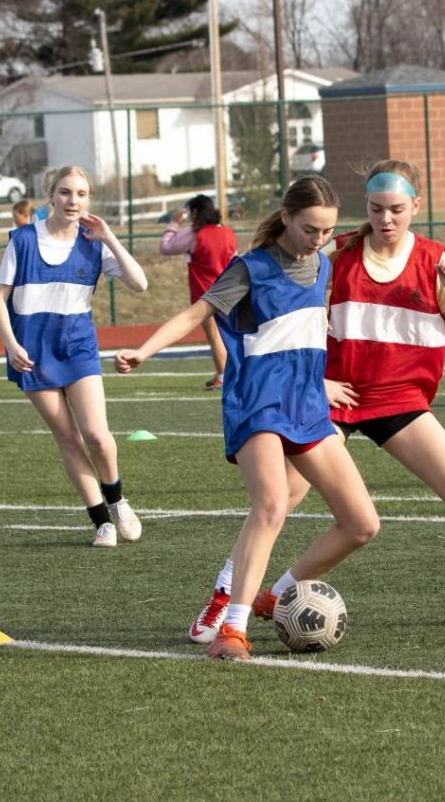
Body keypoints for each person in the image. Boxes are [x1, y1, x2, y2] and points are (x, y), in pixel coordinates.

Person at [187, 160, 445, 645]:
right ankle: (225, 596)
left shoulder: (435, 259)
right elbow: (285, 315)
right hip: (331, 395)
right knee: (277, 499)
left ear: (416, 206)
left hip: (399, 397)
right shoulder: (334, 250)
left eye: (395, 209)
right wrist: (315, 381)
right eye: (374, 209)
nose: (385, 219)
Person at [115, 175, 380, 661]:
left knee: (362, 524)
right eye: (308, 229)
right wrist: (145, 350)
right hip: (257, 404)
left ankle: (272, 595)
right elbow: (195, 314)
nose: (317, 239)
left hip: (306, 406)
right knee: (273, 505)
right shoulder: (250, 269)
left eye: (325, 231)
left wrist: (317, 382)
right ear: (285, 217)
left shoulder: (321, 264)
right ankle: (232, 629)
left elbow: (296, 336)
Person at [0, 165, 148, 548]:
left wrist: (109, 236)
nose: (72, 201)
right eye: (64, 192)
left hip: (78, 347)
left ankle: (118, 499)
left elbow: (140, 284)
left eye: (80, 194)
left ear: (89, 199)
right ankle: (101, 522)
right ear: (51, 195)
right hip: (32, 353)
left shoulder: (93, 242)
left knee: (97, 434)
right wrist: (11, 345)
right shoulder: (24, 240)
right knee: (68, 437)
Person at [159, 194, 238, 390]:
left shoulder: (195, 232)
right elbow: (234, 259)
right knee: (231, 335)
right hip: (231, 289)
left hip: (205, 293)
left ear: (194, 212)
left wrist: (174, 223)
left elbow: (166, 247)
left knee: (214, 335)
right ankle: (226, 372)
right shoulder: (228, 232)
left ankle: (223, 374)